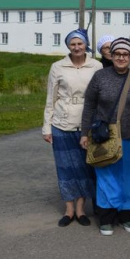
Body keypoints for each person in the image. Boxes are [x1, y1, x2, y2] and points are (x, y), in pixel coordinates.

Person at [42, 28, 102, 227]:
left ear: (86, 45)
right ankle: (68, 209)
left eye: (80, 43)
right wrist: (47, 127)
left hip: (86, 123)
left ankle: (81, 209)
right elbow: (51, 98)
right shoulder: (57, 67)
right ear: (68, 46)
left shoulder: (96, 66)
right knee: (65, 168)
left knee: (85, 167)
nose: (77, 47)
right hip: (62, 122)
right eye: (73, 44)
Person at [80, 38, 130, 236]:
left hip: (129, 136)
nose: (121, 58)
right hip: (103, 136)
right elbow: (89, 105)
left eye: (125, 54)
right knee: (105, 175)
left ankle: (127, 215)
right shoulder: (100, 76)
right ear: (111, 56)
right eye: (117, 54)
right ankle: (106, 216)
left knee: (128, 177)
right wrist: (84, 133)